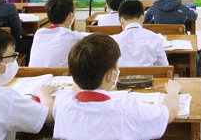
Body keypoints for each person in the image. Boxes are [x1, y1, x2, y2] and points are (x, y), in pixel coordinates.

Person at [52, 34, 181, 139]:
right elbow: (169, 112)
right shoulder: (127, 109)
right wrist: (173, 92)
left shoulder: (63, 103)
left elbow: (75, 87)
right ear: (110, 75)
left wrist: (81, 71)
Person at [28, 0, 83, 67]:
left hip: (32, 75)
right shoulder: (72, 36)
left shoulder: (39, 33)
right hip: (59, 77)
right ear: (70, 16)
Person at [112, 0, 169, 67]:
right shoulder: (155, 38)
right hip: (149, 77)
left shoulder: (113, 41)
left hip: (122, 77)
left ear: (121, 21)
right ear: (142, 18)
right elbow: (164, 67)